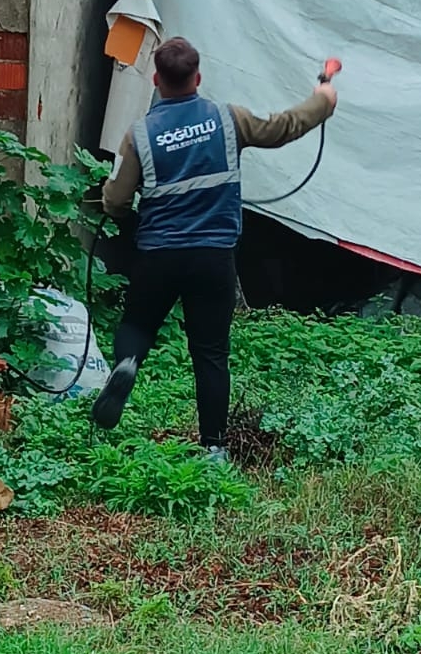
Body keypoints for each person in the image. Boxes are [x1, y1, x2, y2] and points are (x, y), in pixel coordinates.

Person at [92, 35, 338, 453]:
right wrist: (323, 99)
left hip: (158, 257)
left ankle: (128, 363)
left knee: (136, 325)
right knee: (210, 353)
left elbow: (116, 201)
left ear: (156, 79)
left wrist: (112, 203)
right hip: (213, 257)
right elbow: (280, 129)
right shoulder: (229, 120)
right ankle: (214, 449)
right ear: (198, 77)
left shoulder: (141, 135)